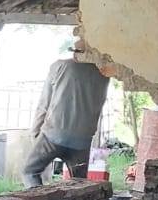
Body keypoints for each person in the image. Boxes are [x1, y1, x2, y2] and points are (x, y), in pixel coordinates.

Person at [23, 47, 110, 188]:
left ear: (77, 52)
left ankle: (39, 199)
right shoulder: (104, 74)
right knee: (79, 183)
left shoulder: (60, 66)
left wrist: (35, 135)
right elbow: (99, 104)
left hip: (53, 134)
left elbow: (44, 104)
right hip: (83, 140)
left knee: (30, 172)